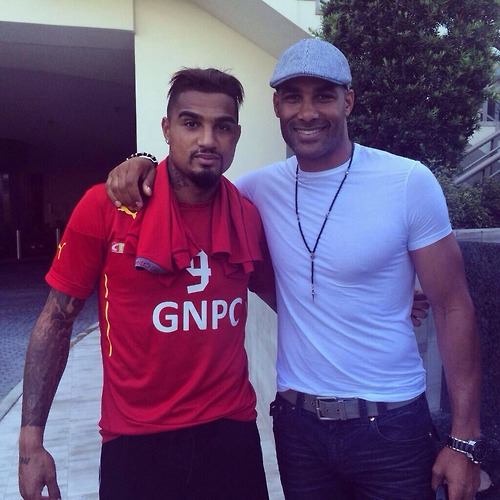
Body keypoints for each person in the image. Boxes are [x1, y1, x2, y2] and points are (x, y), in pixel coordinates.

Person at [106, 39, 483, 500]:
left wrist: (464, 441)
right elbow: (189, 185)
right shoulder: (254, 191)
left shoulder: (407, 182)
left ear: (348, 101)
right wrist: (143, 163)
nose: (307, 112)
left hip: (392, 425)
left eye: (323, 96)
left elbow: (453, 306)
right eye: (293, 97)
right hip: (298, 427)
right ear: (276, 107)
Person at [18, 68, 273, 500]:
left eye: (222, 127)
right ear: (167, 129)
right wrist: (30, 443)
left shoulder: (246, 214)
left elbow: (286, 295)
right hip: (136, 442)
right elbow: (57, 320)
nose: (208, 139)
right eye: (191, 123)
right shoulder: (106, 208)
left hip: (231, 434)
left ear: (236, 135)